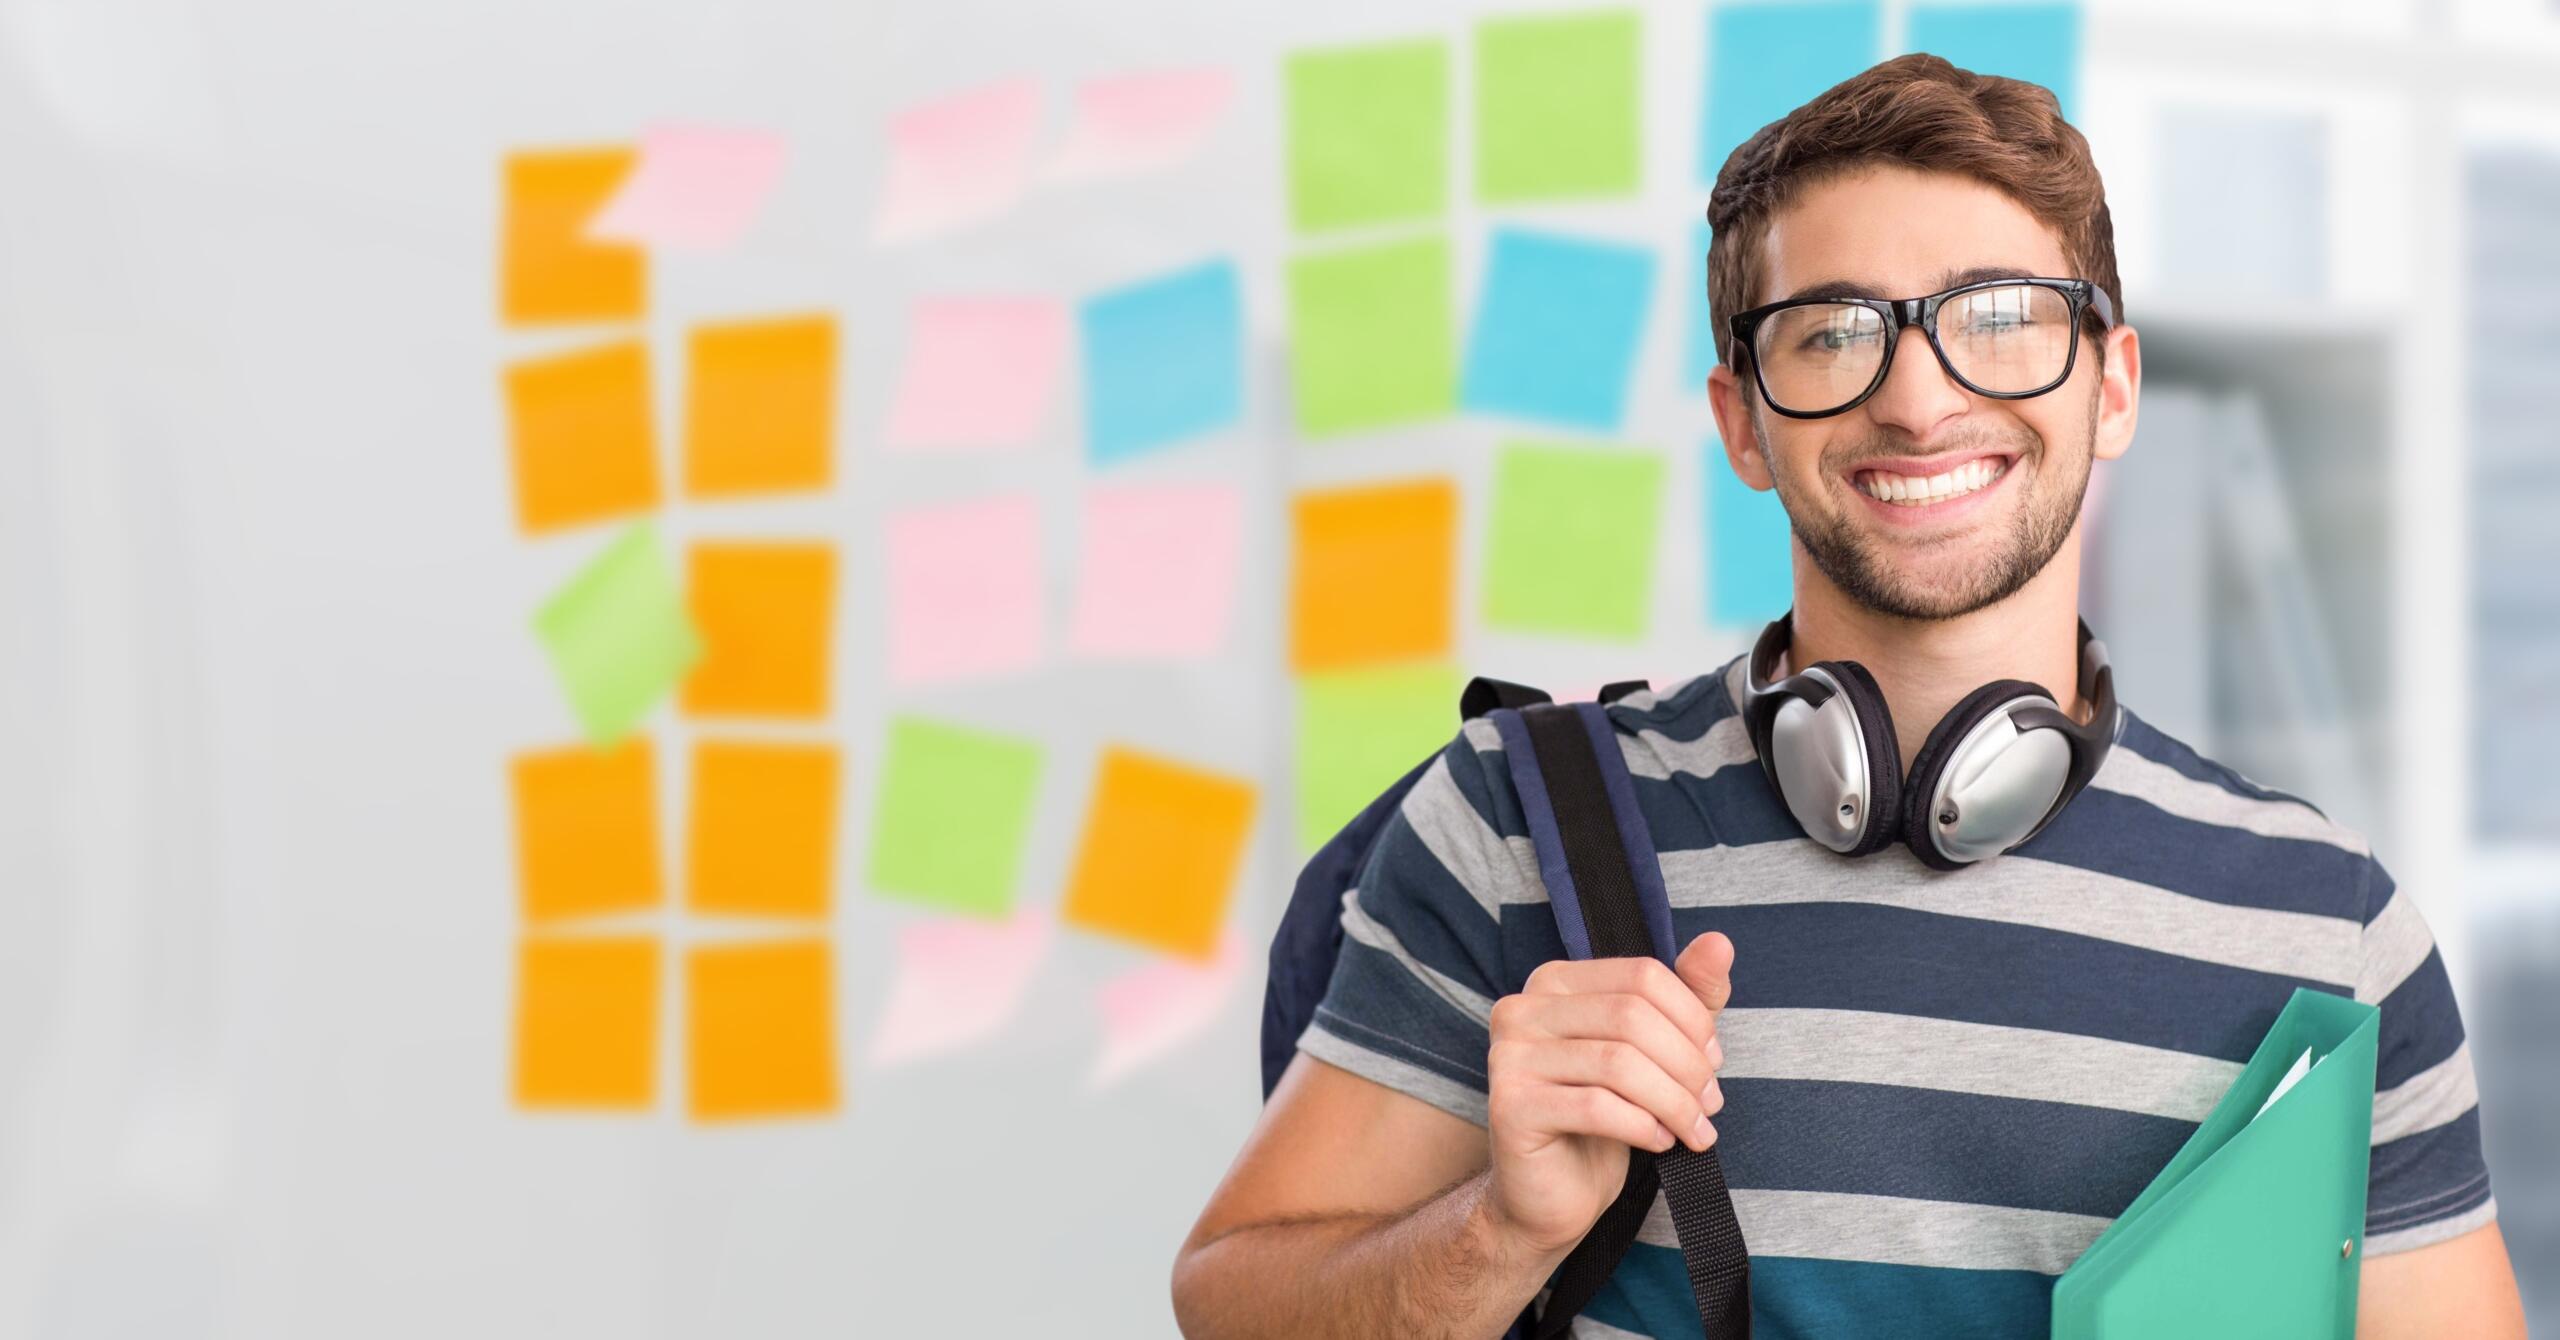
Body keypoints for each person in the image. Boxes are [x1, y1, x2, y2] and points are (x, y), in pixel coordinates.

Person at [1169, 52, 2525, 1339]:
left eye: (1998, 320)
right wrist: (1502, 1229)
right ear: (1744, 422)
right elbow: (1230, 1305)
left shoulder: (2325, 924)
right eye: (1832, 337)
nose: (1921, 402)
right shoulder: (1522, 824)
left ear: (2111, 387)